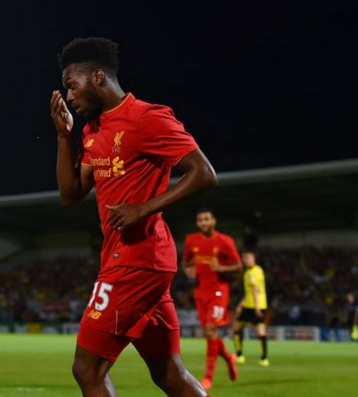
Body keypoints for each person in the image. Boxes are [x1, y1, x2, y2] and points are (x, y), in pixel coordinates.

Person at [51, 37, 217, 397]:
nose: (69, 96)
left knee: (87, 369)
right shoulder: (93, 132)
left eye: (72, 85)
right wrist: (64, 137)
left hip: (135, 261)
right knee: (169, 373)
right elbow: (71, 195)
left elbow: (203, 173)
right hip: (137, 261)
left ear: (97, 77)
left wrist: (144, 207)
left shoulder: (147, 118)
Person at [182, 209, 241, 390]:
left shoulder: (225, 241)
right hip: (200, 293)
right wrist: (188, 270)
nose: (203, 222)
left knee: (210, 329)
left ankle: (208, 377)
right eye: (200, 220)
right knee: (210, 334)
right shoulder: (191, 240)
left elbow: (238, 266)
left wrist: (221, 268)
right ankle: (229, 357)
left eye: (206, 219)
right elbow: (186, 262)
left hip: (219, 292)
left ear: (213, 221)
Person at [233, 250, 269, 366]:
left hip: (253, 306)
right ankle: (264, 358)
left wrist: (257, 307)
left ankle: (240, 355)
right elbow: (251, 292)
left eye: (247, 258)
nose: (245, 260)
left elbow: (254, 290)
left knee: (238, 327)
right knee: (258, 330)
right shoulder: (257, 270)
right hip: (255, 304)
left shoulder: (251, 273)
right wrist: (240, 304)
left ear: (253, 259)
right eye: (244, 258)